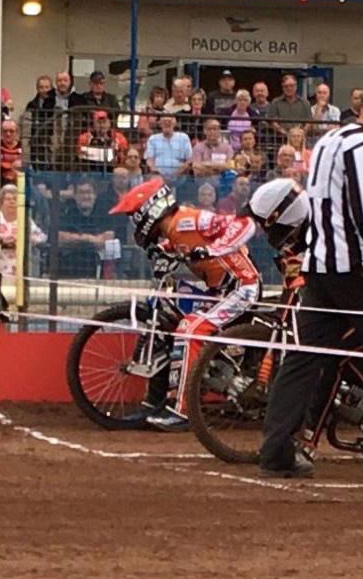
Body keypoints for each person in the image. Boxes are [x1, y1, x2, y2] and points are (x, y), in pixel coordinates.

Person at [258, 79, 363, 478]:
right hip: (356, 273)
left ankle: (276, 450)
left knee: (303, 360)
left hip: (320, 268)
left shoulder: (330, 140)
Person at [107, 177, 262, 431]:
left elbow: (244, 224)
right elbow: (178, 245)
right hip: (218, 290)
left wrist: (215, 249)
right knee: (169, 316)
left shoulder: (191, 220)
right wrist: (164, 251)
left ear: (149, 211)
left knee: (190, 329)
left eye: (134, 216)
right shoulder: (173, 231)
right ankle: (156, 400)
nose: (133, 223)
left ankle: (184, 411)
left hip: (242, 287)